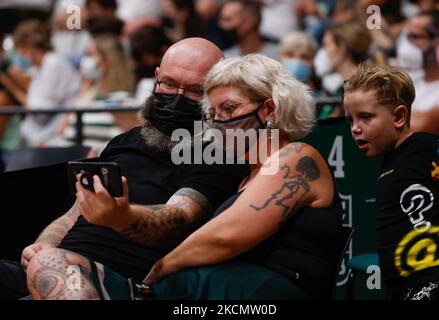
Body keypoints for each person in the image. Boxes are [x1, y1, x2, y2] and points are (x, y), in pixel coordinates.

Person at [30, 54, 345, 300]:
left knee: (55, 269)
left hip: (260, 294)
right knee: (53, 270)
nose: (219, 122)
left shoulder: (295, 156)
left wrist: (160, 269)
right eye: (214, 113)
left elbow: (225, 237)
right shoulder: (248, 175)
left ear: (269, 110)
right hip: (215, 290)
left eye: (229, 108)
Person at [0, 37, 248, 300]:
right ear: (156, 78)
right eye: (169, 84)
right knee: (47, 262)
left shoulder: (216, 152)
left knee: (52, 265)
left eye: (195, 91)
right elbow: (75, 212)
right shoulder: (126, 140)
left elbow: (179, 217)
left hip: (117, 280)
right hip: (56, 267)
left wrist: (123, 217)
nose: (178, 99)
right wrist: (44, 244)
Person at [342, 64, 439, 300]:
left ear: (399, 116)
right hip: (401, 290)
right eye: (351, 120)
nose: (355, 129)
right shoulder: (389, 164)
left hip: (437, 284)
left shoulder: (426, 147)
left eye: (366, 117)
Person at [0, 19, 81, 147]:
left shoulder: (53, 64)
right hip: (41, 141)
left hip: (55, 142)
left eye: (21, 49)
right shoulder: (39, 67)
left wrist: (10, 86)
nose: (20, 55)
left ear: (31, 44)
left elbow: (41, 113)